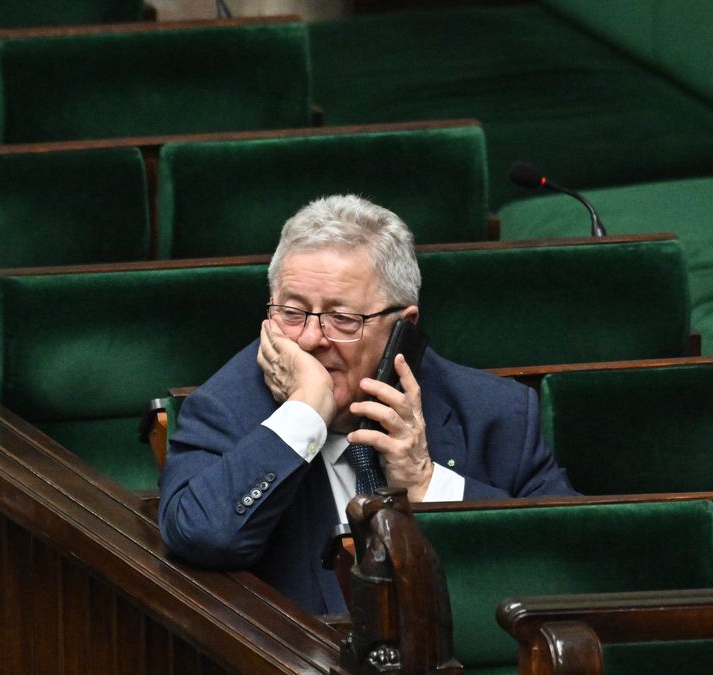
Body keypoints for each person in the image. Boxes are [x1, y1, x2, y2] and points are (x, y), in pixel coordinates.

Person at [157, 194, 576, 615]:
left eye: (342, 319)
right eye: (292, 312)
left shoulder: (494, 413)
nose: (309, 340)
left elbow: (566, 564)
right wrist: (302, 414)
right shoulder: (229, 406)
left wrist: (427, 486)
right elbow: (200, 535)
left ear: (403, 328)